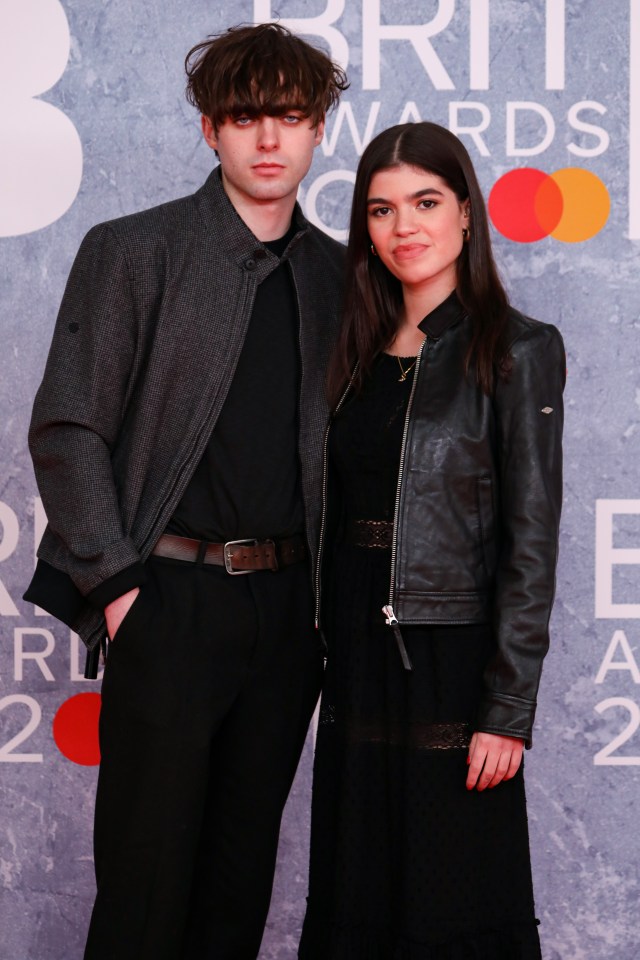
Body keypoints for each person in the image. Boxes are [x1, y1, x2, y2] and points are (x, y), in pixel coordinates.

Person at [24, 23, 348, 960]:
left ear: (318, 130)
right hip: (167, 600)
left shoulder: (338, 276)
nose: (269, 139)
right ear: (211, 129)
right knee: (145, 886)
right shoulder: (134, 250)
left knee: (239, 886)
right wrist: (123, 594)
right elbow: (68, 426)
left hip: (290, 619)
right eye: (246, 117)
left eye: (290, 116)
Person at [299, 121, 565, 959]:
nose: (403, 227)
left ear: (465, 215)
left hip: (449, 661)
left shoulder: (516, 350)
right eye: (380, 210)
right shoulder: (347, 350)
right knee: (358, 889)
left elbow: (532, 542)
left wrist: (508, 710)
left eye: (424, 202)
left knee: (453, 892)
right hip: (354, 652)